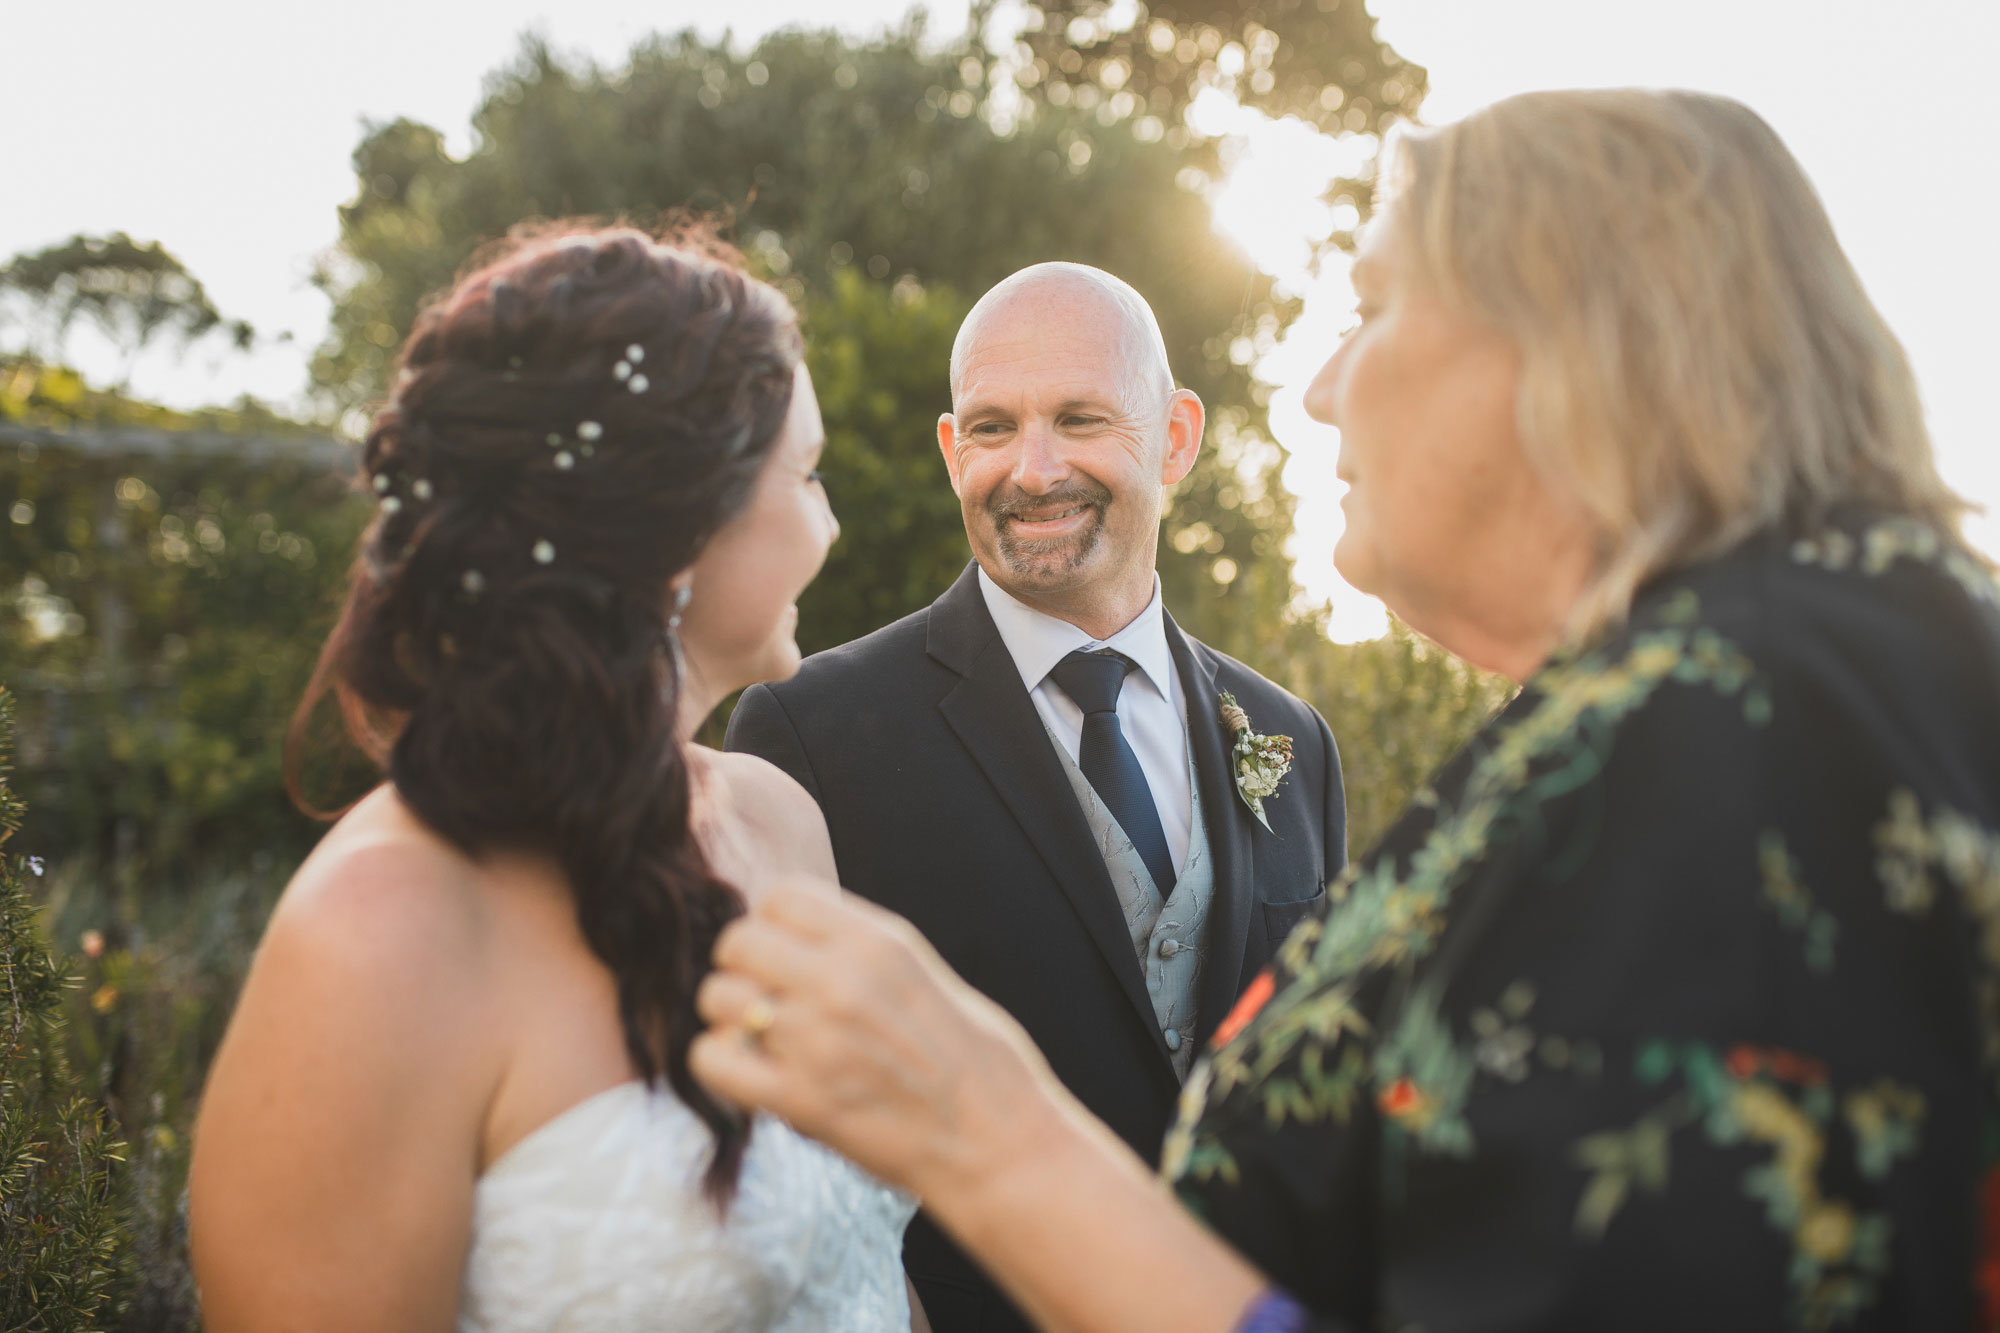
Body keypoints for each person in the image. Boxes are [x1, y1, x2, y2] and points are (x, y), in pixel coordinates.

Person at [691, 89, 2000, 1331]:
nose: (1321, 385)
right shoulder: (1762, 673)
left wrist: (988, 1134)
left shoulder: (1746, 722)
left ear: (1568, 346)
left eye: (1371, 308)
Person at [188, 228, 930, 1331]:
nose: (830, 520)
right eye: (807, 473)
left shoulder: (776, 821)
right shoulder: (380, 926)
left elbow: (860, 1263)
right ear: (678, 522)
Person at [725, 262, 1348, 1329]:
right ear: (948, 450)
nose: (1033, 467)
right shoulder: (806, 732)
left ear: (1175, 438)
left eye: (1079, 418)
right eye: (992, 427)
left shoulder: (1290, 738)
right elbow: (779, 1155)